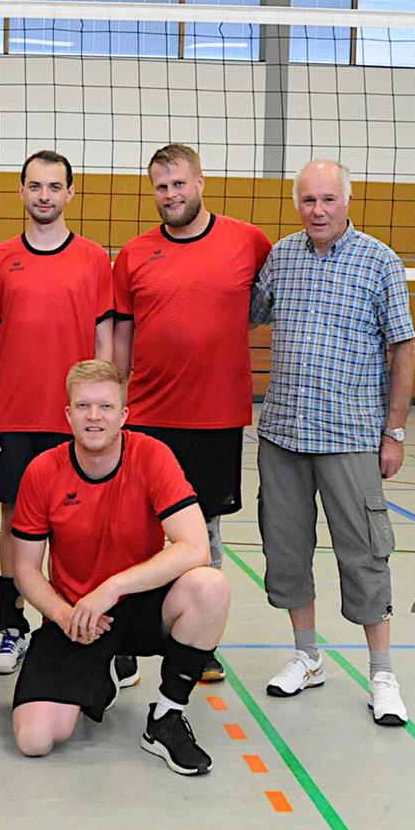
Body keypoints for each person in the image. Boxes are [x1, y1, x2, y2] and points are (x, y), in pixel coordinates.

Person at [250, 160, 415, 727]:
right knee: (287, 549)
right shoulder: (282, 256)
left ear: (347, 201)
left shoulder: (380, 261)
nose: (317, 210)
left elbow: (404, 348)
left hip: (350, 435)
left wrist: (393, 432)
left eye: (327, 199)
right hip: (283, 434)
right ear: (296, 203)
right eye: (307, 200)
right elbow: (245, 313)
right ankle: (306, 656)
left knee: (366, 553)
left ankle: (382, 673)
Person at [9, 360, 230, 775]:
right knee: (34, 740)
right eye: (84, 406)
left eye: (106, 407)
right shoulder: (42, 472)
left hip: (142, 604)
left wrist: (113, 587)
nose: (95, 417)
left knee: (209, 585)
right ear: (68, 414)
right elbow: (25, 570)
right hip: (78, 614)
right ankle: (108, 670)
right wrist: (63, 614)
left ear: (124, 415)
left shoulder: (151, 455)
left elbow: (196, 546)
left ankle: (166, 717)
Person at [112, 143, 271, 683]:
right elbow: (123, 333)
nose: (171, 195)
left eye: (179, 183)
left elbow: (258, 305)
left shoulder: (248, 241)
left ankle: (196, 641)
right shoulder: (134, 253)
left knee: (205, 534)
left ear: (200, 182)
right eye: (161, 186)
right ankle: (125, 635)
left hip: (216, 418)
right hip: (148, 416)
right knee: (136, 531)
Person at [0, 149, 115, 676]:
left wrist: (101, 412)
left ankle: (75, 622)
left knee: (80, 527)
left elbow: (104, 337)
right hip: (13, 417)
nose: (44, 196)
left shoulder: (93, 258)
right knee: (15, 525)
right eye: (35, 186)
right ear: (22, 191)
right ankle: (13, 629)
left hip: (74, 420)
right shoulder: (1, 258)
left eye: (54, 187)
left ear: (70, 193)